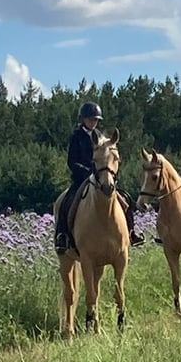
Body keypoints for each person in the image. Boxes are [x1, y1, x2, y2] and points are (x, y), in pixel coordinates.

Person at [54, 102, 145, 253]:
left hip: (102, 179)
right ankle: (62, 236)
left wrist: (109, 173)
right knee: (66, 202)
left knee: (126, 200)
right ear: (83, 119)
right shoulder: (76, 137)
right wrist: (87, 172)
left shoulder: (103, 138)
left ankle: (131, 232)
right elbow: (72, 161)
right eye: (90, 119)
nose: (93, 122)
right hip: (81, 179)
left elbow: (111, 159)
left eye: (95, 119)